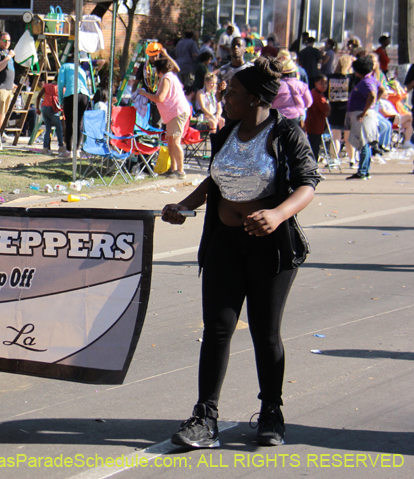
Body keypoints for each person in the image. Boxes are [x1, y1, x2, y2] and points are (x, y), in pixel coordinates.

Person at [163, 56, 319, 449]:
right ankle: (204, 417)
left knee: (266, 333)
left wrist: (278, 214)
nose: (224, 96)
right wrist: (185, 206)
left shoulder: (286, 134)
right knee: (217, 330)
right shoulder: (227, 131)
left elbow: (308, 183)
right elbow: (213, 180)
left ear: (254, 99)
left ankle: (271, 413)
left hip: (270, 248)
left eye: (232, 92)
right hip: (224, 245)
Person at [137, 57, 192, 178]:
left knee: (176, 141)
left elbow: (160, 98)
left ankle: (180, 170)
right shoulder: (171, 77)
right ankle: (172, 168)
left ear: (159, 69)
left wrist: (145, 93)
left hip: (177, 112)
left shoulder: (167, 78)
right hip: (174, 113)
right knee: (171, 141)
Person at [345, 56, 382, 180]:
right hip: (363, 113)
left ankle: (362, 171)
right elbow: (381, 90)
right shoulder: (371, 79)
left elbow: (372, 94)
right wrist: (374, 103)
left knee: (363, 142)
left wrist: (366, 109)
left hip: (362, 114)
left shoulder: (366, 82)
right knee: (365, 142)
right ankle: (365, 170)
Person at [57, 61, 91, 155]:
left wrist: (61, 99)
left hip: (71, 94)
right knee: (79, 122)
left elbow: (60, 83)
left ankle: (68, 149)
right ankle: (77, 149)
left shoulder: (64, 67)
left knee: (69, 122)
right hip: (84, 95)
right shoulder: (81, 70)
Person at [271, 51, 312, 127]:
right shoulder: (302, 85)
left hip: (278, 118)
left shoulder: (275, 85)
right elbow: (308, 103)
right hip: (297, 118)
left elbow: (269, 102)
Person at [0, 32, 16, 147]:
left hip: (8, 86)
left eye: (9, 41)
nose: (7, 43)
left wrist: (12, 82)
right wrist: (9, 57)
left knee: (4, 112)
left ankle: (1, 131)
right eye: (5, 40)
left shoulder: (6, 53)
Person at [305, 75, 331, 161]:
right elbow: (326, 111)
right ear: (316, 84)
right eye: (321, 83)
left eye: (326, 83)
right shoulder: (318, 96)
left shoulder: (314, 92)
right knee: (314, 147)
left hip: (313, 125)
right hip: (315, 125)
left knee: (313, 145)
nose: (324, 85)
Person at [39, 76, 66, 156]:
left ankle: (45, 148)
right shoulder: (61, 88)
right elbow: (63, 102)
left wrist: (37, 107)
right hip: (53, 109)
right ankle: (61, 146)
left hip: (45, 108)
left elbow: (39, 96)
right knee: (59, 128)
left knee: (48, 129)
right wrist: (64, 112)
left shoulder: (46, 86)